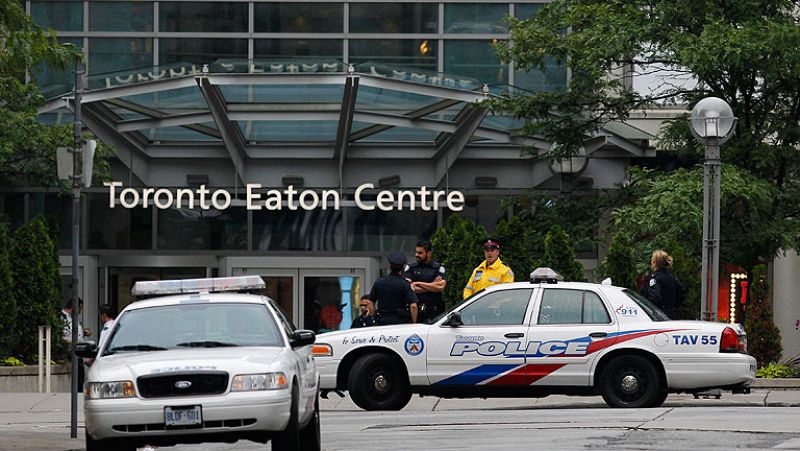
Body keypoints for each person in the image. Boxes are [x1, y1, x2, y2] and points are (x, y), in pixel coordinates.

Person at [368, 251, 418, 325]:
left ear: (390, 266)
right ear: (402, 268)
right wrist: (414, 324)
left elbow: (370, 302)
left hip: (382, 321)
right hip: (400, 322)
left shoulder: (379, 282)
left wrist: (374, 317)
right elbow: (413, 306)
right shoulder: (405, 284)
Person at [404, 240, 447, 323]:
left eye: (420, 253)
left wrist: (417, 283)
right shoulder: (411, 267)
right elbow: (408, 288)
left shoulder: (438, 267)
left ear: (429, 253)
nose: (416, 255)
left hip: (434, 310)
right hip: (416, 311)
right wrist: (432, 285)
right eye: (416, 252)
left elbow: (440, 287)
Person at [639, 250, 688, 319]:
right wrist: (674, 305)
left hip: (659, 315)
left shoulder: (655, 278)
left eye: (652, 260)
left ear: (654, 262)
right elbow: (683, 292)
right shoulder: (671, 277)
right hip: (671, 314)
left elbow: (654, 297)